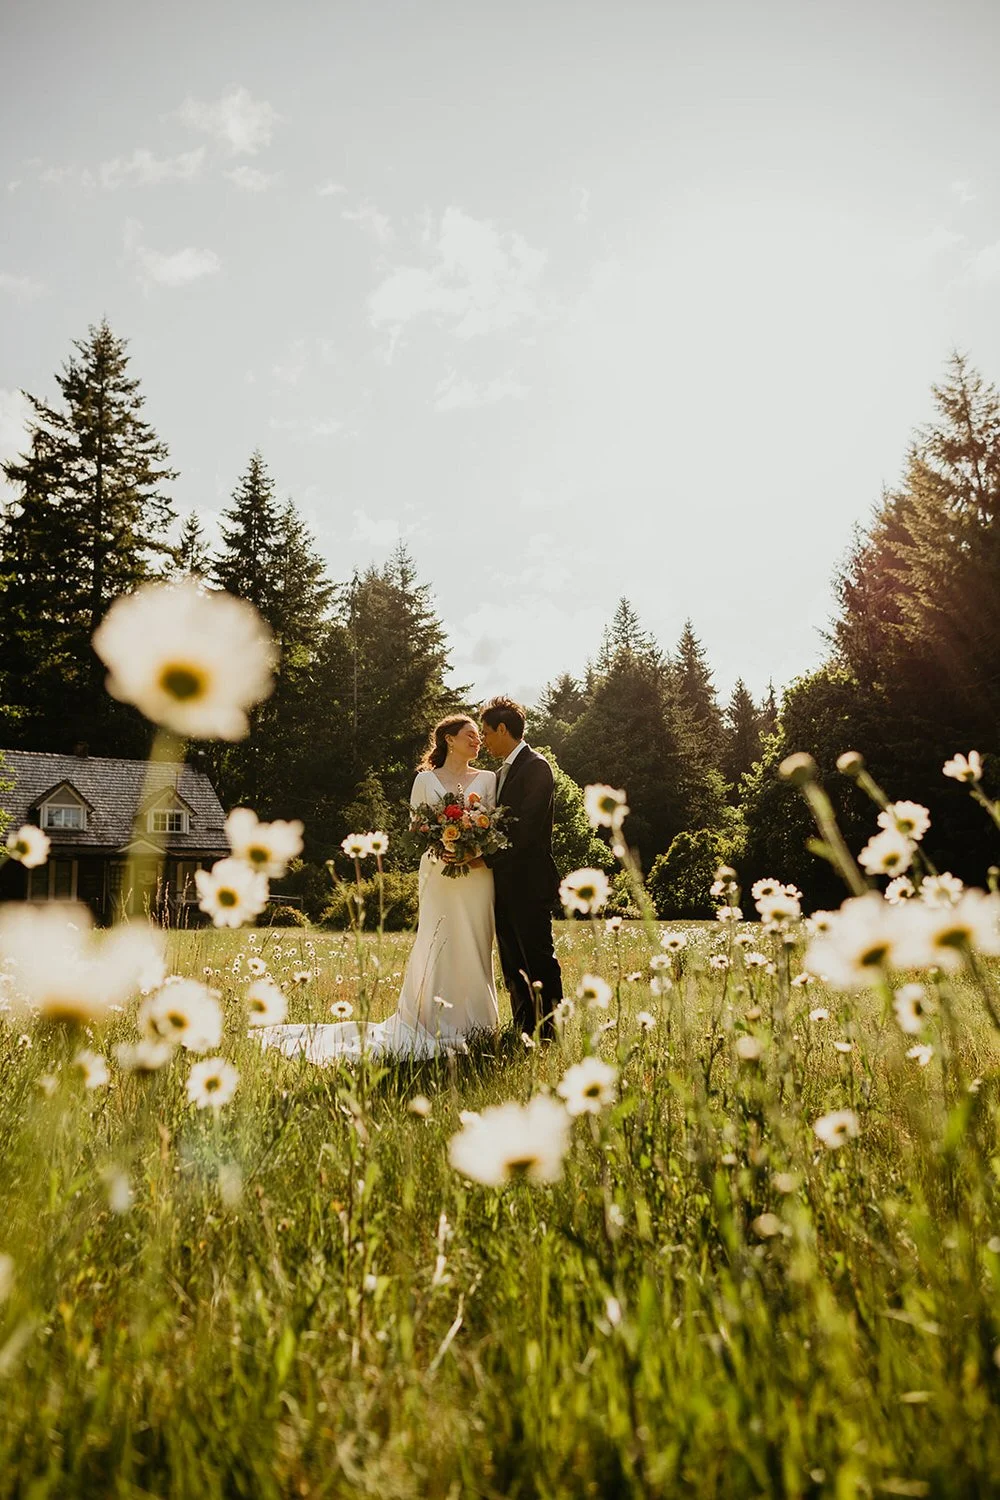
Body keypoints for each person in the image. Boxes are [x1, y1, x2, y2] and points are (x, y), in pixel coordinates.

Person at [256, 715, 498, 1063]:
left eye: (479, 735)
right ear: (449, 739)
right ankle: (431, 1021)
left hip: (476, 874)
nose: (478, 740)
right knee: (437, 939)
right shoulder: (425, 780)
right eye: (470, 735)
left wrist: (471, 850)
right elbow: (417, 826)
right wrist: (444, 847)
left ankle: (479, 1025)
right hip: (439, 871)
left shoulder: (488, 779)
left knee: (476, 940)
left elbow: (491, 821)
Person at [480, 696, 563, 1038]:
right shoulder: (499, 774)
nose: (483, 741)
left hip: (529, 883)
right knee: (512, 963)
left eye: (486, 733)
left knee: (538, 959)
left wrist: (484, 858)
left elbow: (527, 829)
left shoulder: (537, 767)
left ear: (503, 729)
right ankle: (523, 1028)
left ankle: (550, 1033)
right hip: (501, 884)